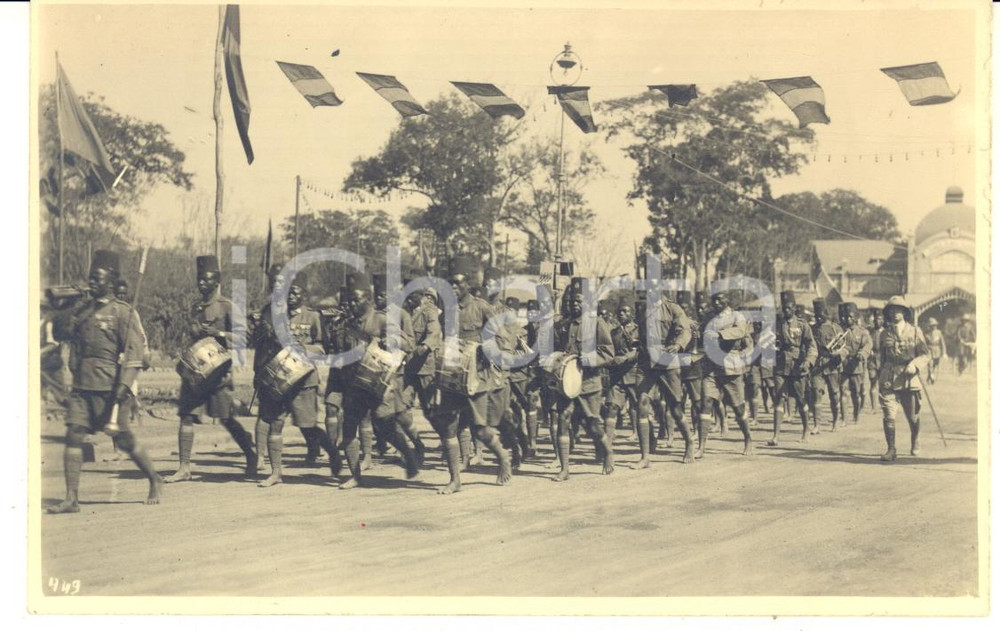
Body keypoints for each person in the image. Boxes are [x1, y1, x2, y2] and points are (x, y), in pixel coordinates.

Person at [47, 250, 162, 513]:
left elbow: (134, 353)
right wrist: (65, 309)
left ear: (111, 281)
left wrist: (124, 386)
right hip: (82, 385)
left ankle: (154, 478)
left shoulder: (123, 312)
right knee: (73, 434)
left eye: (98, 278)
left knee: (124, 441)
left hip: (111, 388)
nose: (93, 282)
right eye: (91, 277)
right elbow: (65, 334)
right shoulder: (83, 310)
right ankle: (71, 497)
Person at [165, 255, 257, 483]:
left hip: (219, 374)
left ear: (217, 280)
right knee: (186, 415)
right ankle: (184, 467)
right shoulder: (197, 306)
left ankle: (251, 454)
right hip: (197, 372)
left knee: (226, 418)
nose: (201, 283)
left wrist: (220, 334)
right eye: (199, 279)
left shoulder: (227, 306)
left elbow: (245, 336)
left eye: (206, 279)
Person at [429, 256, 513, 494]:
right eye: (450, 283)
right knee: (448, 427)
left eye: (457, 283)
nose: (453, 287)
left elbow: (504, 340)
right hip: (452, 376)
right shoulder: (447, 309)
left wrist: (486, 352)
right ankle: (455, 479)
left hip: (477, 377)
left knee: (481, 430)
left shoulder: (481, 307)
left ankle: (502, 456)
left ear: (468, 284)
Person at [332, 272, 421, 489]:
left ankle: (408, 454)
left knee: (383, 425)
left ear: (369, 300)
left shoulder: (382, 319)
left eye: (358, 299)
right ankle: (355, 475)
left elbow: (409, 344)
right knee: (349, 428)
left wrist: (390, 340)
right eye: (351, 299)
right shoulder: (346, 322)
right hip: (355, 383)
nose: (353, 304)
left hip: (381, 383)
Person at [252, 269, 336, 487]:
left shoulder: (313, 317)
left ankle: (333, 452)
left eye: (295, 292)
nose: (290, 296)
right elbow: (261, 345)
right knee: (275, 423)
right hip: (280, 380)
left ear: (303, 294)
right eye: (288, 292)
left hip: (304, 380)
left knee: (307, 425)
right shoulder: (274, 314)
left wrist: (303, 347)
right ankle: (276, 473)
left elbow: (324, 348)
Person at [550, 278, 615, 481]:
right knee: (563, 420)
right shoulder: (563, 324)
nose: (574, 304)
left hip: (589, 383)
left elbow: (608, 352)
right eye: (571, 301)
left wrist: (589, 359)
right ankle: (565, 469)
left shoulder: (597, 323)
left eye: (578, 301)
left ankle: (608, 453)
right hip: (566, 383)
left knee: (593, 425)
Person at [634, 282, 694, 465]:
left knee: (675, 408)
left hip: (667, 361)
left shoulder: (672, 308)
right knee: (642, 403)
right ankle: (645, 457)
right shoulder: (643, 309)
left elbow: (685, 330)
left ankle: (689, 442)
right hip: (646, 363)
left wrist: (678, 344)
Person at [700, 291, 755, 456]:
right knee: (706, 402)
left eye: (720, 300)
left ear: (727, 301)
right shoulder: (709, 317)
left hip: (730, 367)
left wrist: (719, 334)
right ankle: (701, 446)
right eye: (714, 300)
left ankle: (748, 439)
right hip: (710, 367)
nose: (716, 303)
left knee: (738, 408)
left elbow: (740, 332)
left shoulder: (737, 316)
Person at [876, 296, 929, 460]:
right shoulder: (884, 334)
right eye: (891, 310)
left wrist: (915, 364)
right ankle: (891, 449)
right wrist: (880, 375)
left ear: (905, 312)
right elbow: (883, 358)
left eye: (898, 309)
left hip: (909, 378)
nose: (894, 313)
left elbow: (925, 354)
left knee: (912, 416)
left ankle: (915, 439)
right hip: (889, 378)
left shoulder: (915, 331)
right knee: (888, 414)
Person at [767, 291, 817, 446]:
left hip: (797, 366)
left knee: (801, 399)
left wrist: (808, 362)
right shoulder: (776, 324)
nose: (786, 310)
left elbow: (812, 346)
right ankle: (775, 435)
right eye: (784, 308)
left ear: (794, 308)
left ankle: (806, 429)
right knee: (779, 398)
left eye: (789, 308)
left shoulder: (802, 325)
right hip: (781, 365)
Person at [603, 302, 640, 451]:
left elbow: (639, 351)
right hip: (617, 376)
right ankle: (607, 445)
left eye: (625, 311)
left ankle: (648, 438)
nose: (621, 314)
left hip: (634, 374)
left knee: (639, 407)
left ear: (632, 314)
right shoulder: (613, 332)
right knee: (612, 407)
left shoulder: (639, 331)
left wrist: (625, 358)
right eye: (619, 312)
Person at [809, 299, 846, 432]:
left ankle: (836, 421)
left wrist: (839, 355)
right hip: (817, 366)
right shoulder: (812, 329)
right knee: (816, 394)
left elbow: (845, 348)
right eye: (816, 315)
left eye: (821, 315)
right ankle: (816, 425)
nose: (818, 318)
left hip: (832, 366)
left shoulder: (836, 328)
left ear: (826, 313)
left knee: (834, 394)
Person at [837, 302, 873, 425]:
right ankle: (844, 418)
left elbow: (868, 345)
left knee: (855, 393)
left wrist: (862, 353)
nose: (849, 319)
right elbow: (838, 345)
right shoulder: (841, 331)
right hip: (844, 366)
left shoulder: (862, 332)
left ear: (856, 317)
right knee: (843, 391)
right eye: (847, 316)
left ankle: (856, 415)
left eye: (851, 316)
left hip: (857, 367)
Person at [866, 308, 884, 413]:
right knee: (873, 382)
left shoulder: (886, 332)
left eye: (880, 319)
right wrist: (869, 351)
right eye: (876, 319)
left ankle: (882, 405)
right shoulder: (870, 332)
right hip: (872, 360)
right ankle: (874, 407)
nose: (878, 321)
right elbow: (866, 343)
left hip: (882, 360)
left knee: (882, 384)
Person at [923, 317, 946, 384]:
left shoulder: (939, 333)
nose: (934, 327)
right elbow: (924, 343)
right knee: (930, 363)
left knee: (935, 364)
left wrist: (944, 352)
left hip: (937, 350)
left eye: (934, 325)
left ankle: (930, 375)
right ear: (929, 326)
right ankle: (932, 375)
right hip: (929, 350)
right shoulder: (926, 334)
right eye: (932, 326)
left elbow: (942, 343)